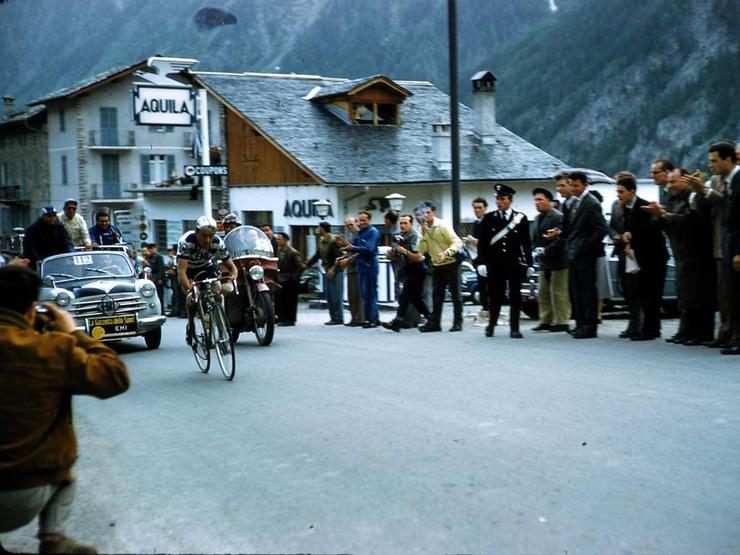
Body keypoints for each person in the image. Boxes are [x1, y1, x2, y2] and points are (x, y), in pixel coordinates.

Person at [0, 265, 130, 555]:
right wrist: (73, 333)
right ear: (32, 309)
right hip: (24, 493)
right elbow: (115, 377)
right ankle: (53, 538)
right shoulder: (53, 347)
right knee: (65, 476)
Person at [643, 169, 716, 346]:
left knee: (700, 294)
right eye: (668, 182)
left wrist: (665, 215)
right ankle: (687, 330)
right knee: (686, 293)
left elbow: (689, 221)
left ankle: (702, 332)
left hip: (698, 252)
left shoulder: (693, 198)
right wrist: (658, 215)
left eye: (673, 182)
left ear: (685, 180)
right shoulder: (673, 198)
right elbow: (665, 223)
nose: (670, 186)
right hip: (681, 251)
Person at [548, 171, 608, 339]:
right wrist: (559, 233)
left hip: (585, 254)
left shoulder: (591, 203)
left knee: (588, 291)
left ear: (584, 185)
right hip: (573, 253)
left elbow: (601, 229)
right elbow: (570, 229)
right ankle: (581, 323)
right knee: (576, 290)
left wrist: (585, 246)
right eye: (572, 185)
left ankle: (590, 326)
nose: (573, 189)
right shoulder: (572, 203)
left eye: (576, 185)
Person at [613, 171, 669, 341]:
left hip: (654, 257)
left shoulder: (645, 207)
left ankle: (650, 330)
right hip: (639, 257)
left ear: (632, 191)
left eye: (621, 192)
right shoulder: (626, 209)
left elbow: (650, 232)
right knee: (643, 292)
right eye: (617, 192)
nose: (618, 195)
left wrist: (632, 237)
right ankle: (647, 328)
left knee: (651, 294)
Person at [477, 184, 533, 338]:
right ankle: (491, 325)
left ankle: (514, 328)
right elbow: (482, 243)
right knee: (495, 295)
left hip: (514, 263)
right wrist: (481, 262)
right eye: (497, 199)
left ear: (510, 200)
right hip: (495, 264)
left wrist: (529, 263)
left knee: (515, 296)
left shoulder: (520, 218)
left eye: (502, 199)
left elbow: (526, 243)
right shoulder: (489, 218)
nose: (498, 202)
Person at [177, 216, 238, 345]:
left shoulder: (218, 243)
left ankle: (222, 332)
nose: (207, 240)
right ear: (196, 232)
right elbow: (181, 271)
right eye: (204, 236)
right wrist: (189, 289)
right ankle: (191, 325)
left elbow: (233, 268)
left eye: (211, 236)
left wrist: (230, 281)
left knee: (218, 294)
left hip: (206, 267)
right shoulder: (186, 242)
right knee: (191, 299)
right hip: (188, 270)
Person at [411, 201, 464, 332]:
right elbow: (421, 250)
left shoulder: (442, 225)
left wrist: (446, 252)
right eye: (424, 213)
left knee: (456, 295)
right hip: (437, 265)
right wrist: (423, 232)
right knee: (437, 296)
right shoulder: (423, 229)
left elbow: (457, 242)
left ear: (433, 213)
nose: (426, 216)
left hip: (451, 263)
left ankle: (458, 322)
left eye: (428, 212)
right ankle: (435, 323)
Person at [381, 214, 430, 331]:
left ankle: (397, 321)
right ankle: (431, 317)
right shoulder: (400, 235)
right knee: (414, 298)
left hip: (417, 268)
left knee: (405, 296)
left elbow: (417, 257)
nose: (402, 225)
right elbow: (394, 253)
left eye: (405, 223)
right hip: (407, 269)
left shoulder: (414, 236)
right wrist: (391, 254)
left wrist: (403, 251)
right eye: (401, 223)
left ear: (411, 224)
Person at [531, 187, 569, 333]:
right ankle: (545, 320)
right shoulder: (536, 219)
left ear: (549, 201)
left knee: (559, 292)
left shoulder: (558, 217)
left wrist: (547, 250)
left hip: (559, 260)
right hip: (543, 261)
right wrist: (537, 250)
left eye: (540, 199)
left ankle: (562, 321)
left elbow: (561, 239)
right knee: (543, 292)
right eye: (535, 200)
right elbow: (534, 239)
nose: (537, 202)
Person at [342, 211, 381, 328]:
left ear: (369, 220)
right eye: (360, 220)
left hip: (370, 264)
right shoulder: (360, 233)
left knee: (370, 293)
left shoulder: (373, 232)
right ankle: (371, 318)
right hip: (362, 265)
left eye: (364, 220)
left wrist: (353, 247)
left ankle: (372, 319)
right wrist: (344, 245)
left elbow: (369, 249)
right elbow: (352, 247)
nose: (361, 223)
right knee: (365, 293)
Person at [306, 222, 344, 325]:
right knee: (329, 295)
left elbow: (339, 257)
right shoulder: (322, 241)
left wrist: (334, 269)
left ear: (323, 229)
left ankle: (339, 318)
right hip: (327, 271)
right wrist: (307, 265)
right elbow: (317, 255)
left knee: (336, 295)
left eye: (319, 227)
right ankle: (333, 317)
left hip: (336, 271)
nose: (317, 229)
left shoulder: (333, 240)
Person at [337, 217, 365, 326]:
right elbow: (350, 251)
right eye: (347, 225)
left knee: (358, 296)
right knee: (351, 296)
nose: (349, 227)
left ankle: (360, 318)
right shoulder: (352, 236)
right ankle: (354, 318)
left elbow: (359, 252)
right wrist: (342, 257)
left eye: (351, 225)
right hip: (351, 269)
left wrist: (348, 259)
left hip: (358, 268)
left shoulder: (360, 235)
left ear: (356, 224)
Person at [465, 197, 489, 318]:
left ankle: (490, 309)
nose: (477, 210)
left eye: (480, 208)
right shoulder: (476, 223)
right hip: (478, 258)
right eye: (475, 208)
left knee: (488, 285)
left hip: (489, 259)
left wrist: (474, 241)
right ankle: (485, 308)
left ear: (485, 208)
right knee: (481, 285)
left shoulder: (489, 222)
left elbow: (488, 241)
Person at [275, 231, 304, 326]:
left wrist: (293, 277)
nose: (277, 241)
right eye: (277, 239)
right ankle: (282, 318)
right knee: (281, 300)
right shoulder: (278, 250)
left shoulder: (292, 252)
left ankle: (290, 320)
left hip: (290, 280)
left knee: (290, 301)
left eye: (280, 239)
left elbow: (300, 266)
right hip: (281, 279)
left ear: (285, 240)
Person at [146, 243, 166, 314]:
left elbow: (161, 269)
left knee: (160, 296)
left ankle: (162, 311)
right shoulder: (150, 257)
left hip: (157, 278)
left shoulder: (159, 257)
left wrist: (160, 278)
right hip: (152, 278)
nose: (151, 250)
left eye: (152, 248)